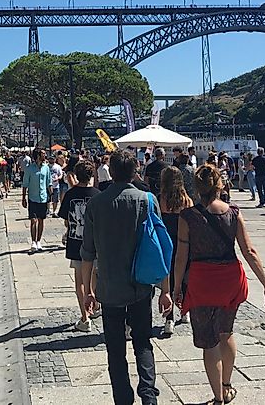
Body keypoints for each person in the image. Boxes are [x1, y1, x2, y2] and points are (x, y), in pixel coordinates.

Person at [173, 164, 265, 405]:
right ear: (221, 186)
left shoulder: (188, 217)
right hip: (230, 278)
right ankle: (227, 384)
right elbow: (249, 251)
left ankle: (218, 397)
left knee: (209, 341)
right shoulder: (233, 212)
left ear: (197, 188)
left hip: (202, 279)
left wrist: (177, 288)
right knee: (226, 331)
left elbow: (181, 256)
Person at [81, 150, 172, 405]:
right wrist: (165, 289)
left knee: (115, 348)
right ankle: (148, 395)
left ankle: (122, 398)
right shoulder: (148, 200)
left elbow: (87, 252)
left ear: (110, 171)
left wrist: (88, 289)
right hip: (140, 284)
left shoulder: (96, 204)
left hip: (109, 286)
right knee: (142, 342)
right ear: (135, 172)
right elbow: (160, 246)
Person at [58, 160, 100, 332]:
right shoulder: (98, 194)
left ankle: (85, 317)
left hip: (76, 241)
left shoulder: (70, 194)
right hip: (95, 243)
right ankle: (95, 305)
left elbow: (65, 218)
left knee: (80, 282)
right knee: (94, 277)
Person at [159, 166, 194, 336]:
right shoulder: (187, 200)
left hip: (167, 244)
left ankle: (169, 319)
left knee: (170, 281)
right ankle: (185, 310)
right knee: (184, 278)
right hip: (184, 244)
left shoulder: (161, 199)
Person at [22, 148, 51, 253]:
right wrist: (23, 198)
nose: (45, 155)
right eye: (43, 154)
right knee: (33, 220)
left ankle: (39, 241)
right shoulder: (29, 169)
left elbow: (49, 182)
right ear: (38, 156)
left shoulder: (46, 168)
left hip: (43, 197)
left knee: (41, 220)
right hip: (32, 197)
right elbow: (25, 184)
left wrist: (50, 196)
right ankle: (33, 241)